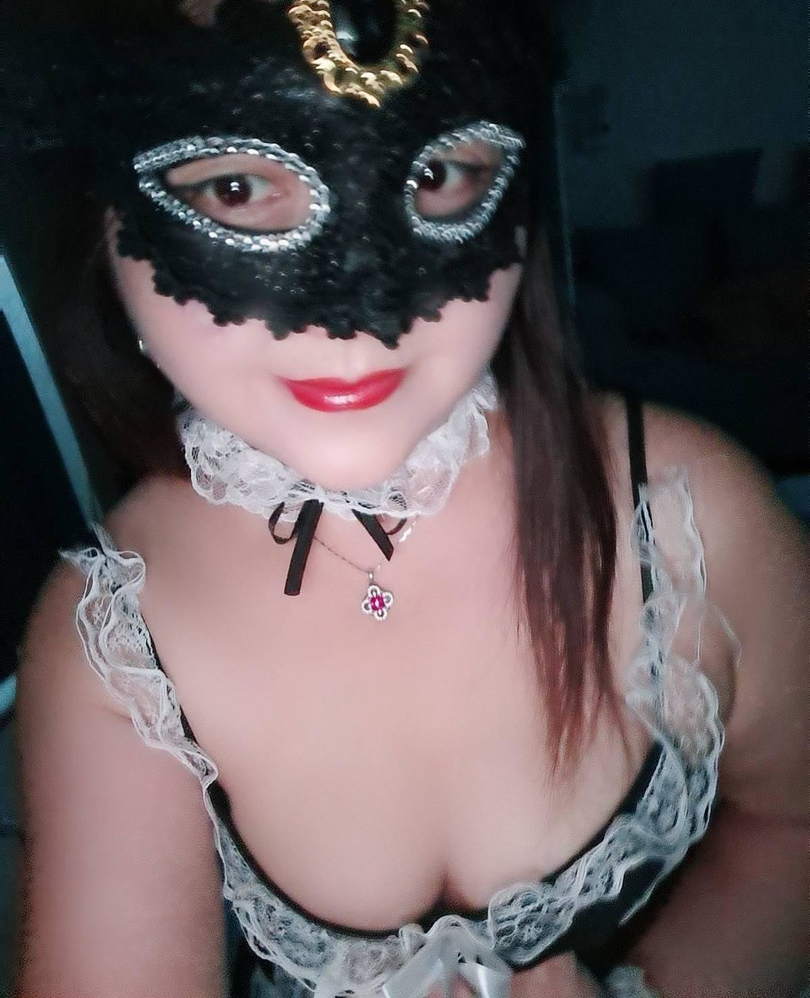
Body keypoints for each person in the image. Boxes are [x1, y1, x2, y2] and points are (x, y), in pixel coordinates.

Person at [6, 1, 807, 995]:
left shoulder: (693, 516)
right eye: (238, 186)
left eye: (433, 175)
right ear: (107, 218)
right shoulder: (112, 644)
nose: (358, 319)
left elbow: (793, 827)